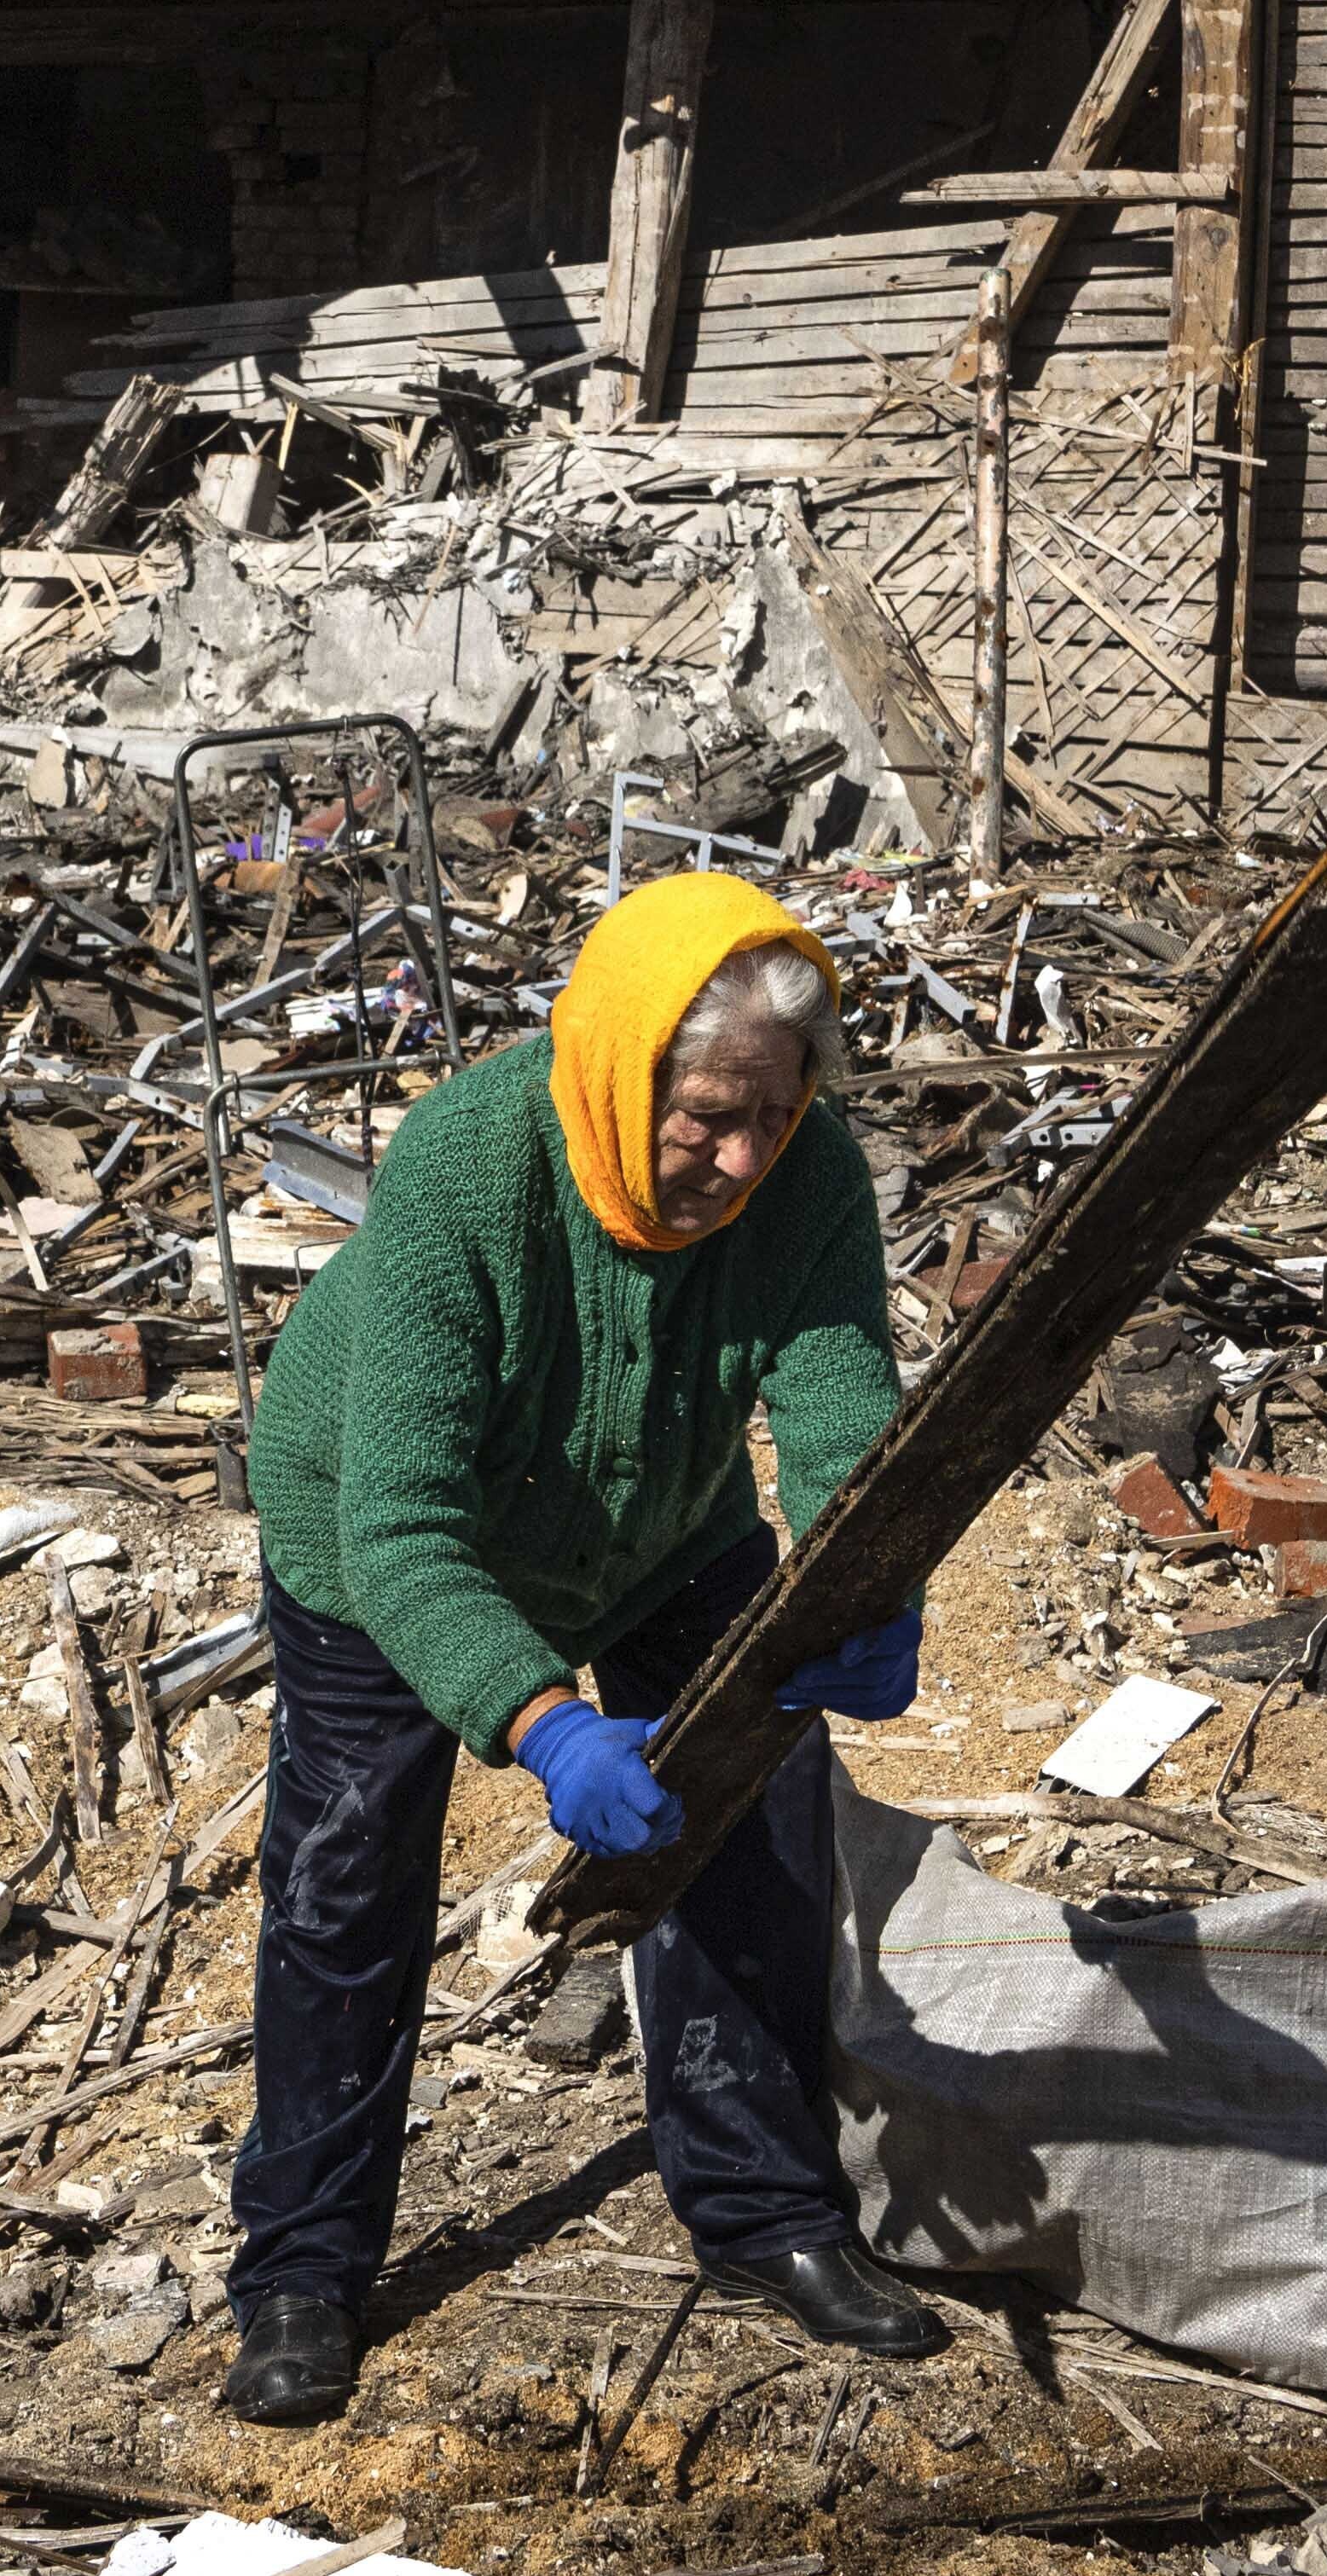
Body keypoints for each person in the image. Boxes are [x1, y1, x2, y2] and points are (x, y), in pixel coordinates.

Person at [222, 869, 944, 2431]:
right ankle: (300, 2271)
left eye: (774, 1115)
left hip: (662, 1530)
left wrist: (865, 1587)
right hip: (377, 1536)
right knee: (350, 1880)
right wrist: (544, 1728)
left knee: (750, 1831)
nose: (739, 1159)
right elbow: (401, 1531)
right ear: (624, 1070)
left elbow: (835, 1418)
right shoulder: (469, 1170)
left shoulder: (806, 1181)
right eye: (704, 1116)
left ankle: (767, 2215)